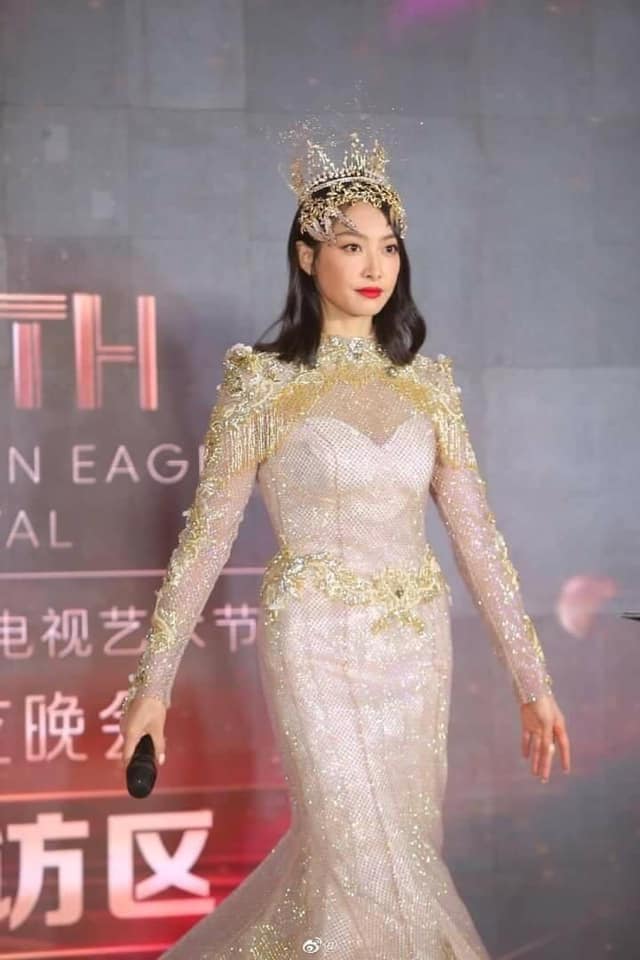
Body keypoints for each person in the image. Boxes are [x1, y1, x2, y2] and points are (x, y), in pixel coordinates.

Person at [119, 131, 571, 959]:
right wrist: (154, 686)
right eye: (351, 245)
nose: (375, 265)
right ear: (307, 255)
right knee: (362, 859)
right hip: (314, 641)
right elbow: (206, 541)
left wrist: (531, 682)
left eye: (389, 246)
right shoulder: (260, 382)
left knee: (394, 856)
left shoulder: (428, 385)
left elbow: (477, 538)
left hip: (415, 644)